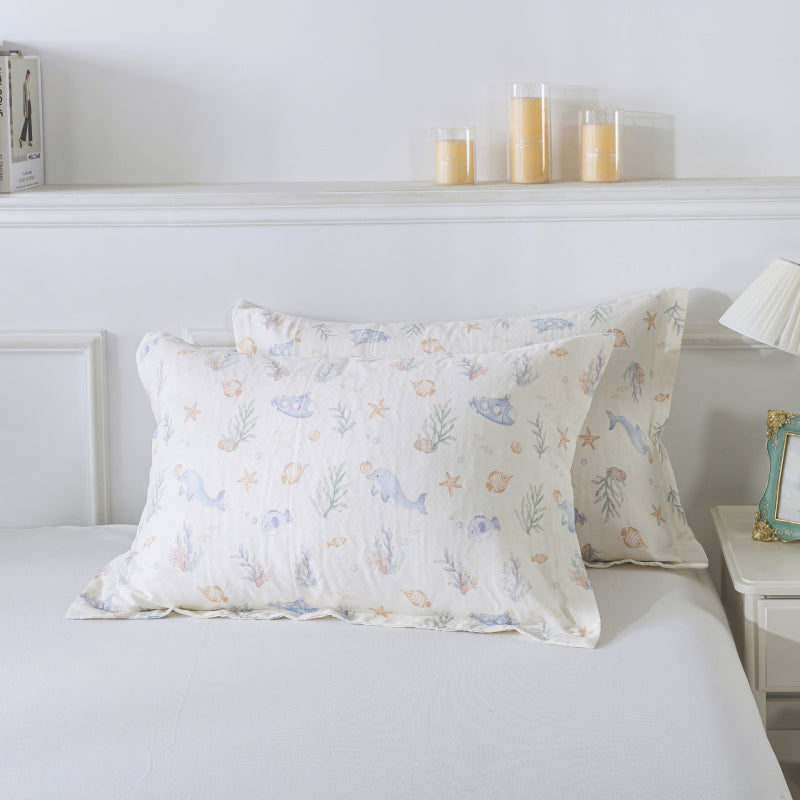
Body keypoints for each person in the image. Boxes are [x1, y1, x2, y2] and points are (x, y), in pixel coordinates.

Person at [19, 69, 32, 148]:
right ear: (26, 75)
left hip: (29, 103)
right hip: (26, 105)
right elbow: (24, 98)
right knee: (26, 121)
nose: (29, 77)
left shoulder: (28, 83)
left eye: (30, 76)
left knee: (30, 121)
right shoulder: (24, 84)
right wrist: (24, 110)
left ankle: (30, 140)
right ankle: (21, 139)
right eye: (28, 76)